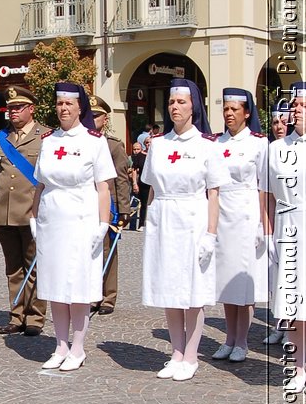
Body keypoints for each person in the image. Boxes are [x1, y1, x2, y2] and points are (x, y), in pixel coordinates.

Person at [141, 80, 229, 380]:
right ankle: (175, 352)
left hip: (193, 217)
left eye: (181, 102)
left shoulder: (207, 145)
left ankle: (191, 355)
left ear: (194, 106)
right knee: (169, 288)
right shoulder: (160, 145)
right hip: (164, 217)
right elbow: (151, 189)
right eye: (171, 102)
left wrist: (211, 233)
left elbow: (214, 193)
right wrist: (150, 221)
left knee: (192, 290)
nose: (175, 107)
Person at [30, 83, 116, 371]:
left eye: (69, 104)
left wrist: (103, 223)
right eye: (59, 104)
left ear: (80, 107)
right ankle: (60, 345)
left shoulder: (94, 141)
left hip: (82, 215)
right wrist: (34, 218)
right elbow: (40, 185)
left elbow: (103, 187)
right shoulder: (49, 140)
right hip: (52, 217)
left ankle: (78, 347)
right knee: (55, 284)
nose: (63, 109)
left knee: (77, 284)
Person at [0, 86, 48, 336]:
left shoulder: (46, 137)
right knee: (12, 267)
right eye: (9, 108)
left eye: (17, 108)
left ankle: (35, 316)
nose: (12, 112)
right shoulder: (0, 138)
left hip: (32, 211)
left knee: (34, 265)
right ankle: (16, 314)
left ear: (31, 109)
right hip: (5, 211)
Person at [211, 88, 268, 362]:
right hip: (223, 213)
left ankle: (242, 341)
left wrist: (261, 222)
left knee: (243, 282)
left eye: (235, 109)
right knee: (225, 280)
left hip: (246, 212)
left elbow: (263, 186)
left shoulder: (258, 143)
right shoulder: (217, 143)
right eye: (226, 109)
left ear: (247, 113)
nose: (229, 114)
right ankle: (229, 337)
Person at [265, 83, 306, 392]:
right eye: (295, 104)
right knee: (294, 307)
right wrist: (267, 232)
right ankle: (298, 367)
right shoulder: (277, 149)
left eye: (303, 104)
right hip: (288, 227)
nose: (297, 109)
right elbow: (266, 194)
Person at [89, 96, 132, 315]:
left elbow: (121, 179)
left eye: (96, 115)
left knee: (107, 251)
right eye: (89, 114)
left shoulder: (112, 146)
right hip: (86, 205)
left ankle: (108, 296)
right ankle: (91, 293)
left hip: (110, 206)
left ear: (105, 119)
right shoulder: (82, 142)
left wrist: (124, 209)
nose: (91, 118)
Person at [263, 100, 292, 346]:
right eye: (274, 122)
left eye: (283, 122)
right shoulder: (271, 150)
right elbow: (268, 195)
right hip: (278, 221)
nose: (278, 127)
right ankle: (280, 324)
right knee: (277, 278)